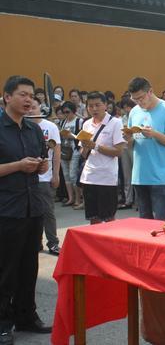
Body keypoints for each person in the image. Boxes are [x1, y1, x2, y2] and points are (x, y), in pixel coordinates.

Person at [0, 76, 52, 345]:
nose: (29, 99)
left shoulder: (33, 129)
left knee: (28, 266)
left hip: (33, 207)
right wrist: (18, 165)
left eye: (31, 95)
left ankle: (26, 316)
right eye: (22, 94)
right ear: (7, 97)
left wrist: (41, 166)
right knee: (5, 269)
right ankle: (2, 323)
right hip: (7, 210)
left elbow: (41, 159)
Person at [124, 77, 165, 221]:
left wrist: (155, 134)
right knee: (144, 221)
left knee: (162, 221)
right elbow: (132, 144)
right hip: (139, 175)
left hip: (160, 177)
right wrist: (128, 138)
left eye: (141, 98)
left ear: (150, 91)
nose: (139, 102)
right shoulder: (134, 112)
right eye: (135, 99)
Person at [79, 92, 126, 224]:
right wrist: (85, 147)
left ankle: (109, 244)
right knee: (93, 218)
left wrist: (96, 146)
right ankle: (94, 244)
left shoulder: (116, 123)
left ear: (105, 105)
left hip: (106, 178)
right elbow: (83, 154)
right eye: (90, 106)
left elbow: (118, 151)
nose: (94, 109)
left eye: (97, 105)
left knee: (108, 218)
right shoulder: (86, 124)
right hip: (89, 177)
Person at [27, 97, 62, 255]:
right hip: (27, 178)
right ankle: (36, 242)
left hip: (44, 178)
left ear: (40, 107)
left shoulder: (51, 127)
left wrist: (55, 175)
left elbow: (56, 153)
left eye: (33, 107)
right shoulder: (23, 127)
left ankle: (53, 243)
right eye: (27, 108)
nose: (30, 110)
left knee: (48, 212)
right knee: (32, 213)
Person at [59, 101, 84, 209]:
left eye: (67, 112)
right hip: (64, 150)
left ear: (73, 111)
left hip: (75, 150)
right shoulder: (63, 122)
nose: (66, 114)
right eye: (64, 112)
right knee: (66, 175)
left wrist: (71, 136)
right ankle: (71, 198)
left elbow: (82, 137)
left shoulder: (79, 121)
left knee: (73, 175)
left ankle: (78, 198)